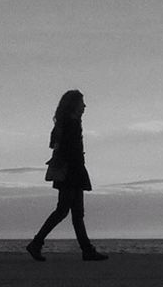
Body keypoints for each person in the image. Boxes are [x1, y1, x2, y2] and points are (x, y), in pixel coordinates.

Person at [26, 89, 108, 261]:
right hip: (72, 171)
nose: (84, 106)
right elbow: (69, 149)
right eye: (81, 103)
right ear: (74, 105)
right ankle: (37, 243)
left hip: (71, 170)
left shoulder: (64, 123)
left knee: (74, 212)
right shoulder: (71, 123)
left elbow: (54, 144)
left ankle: (86, 249)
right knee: (65, 211)